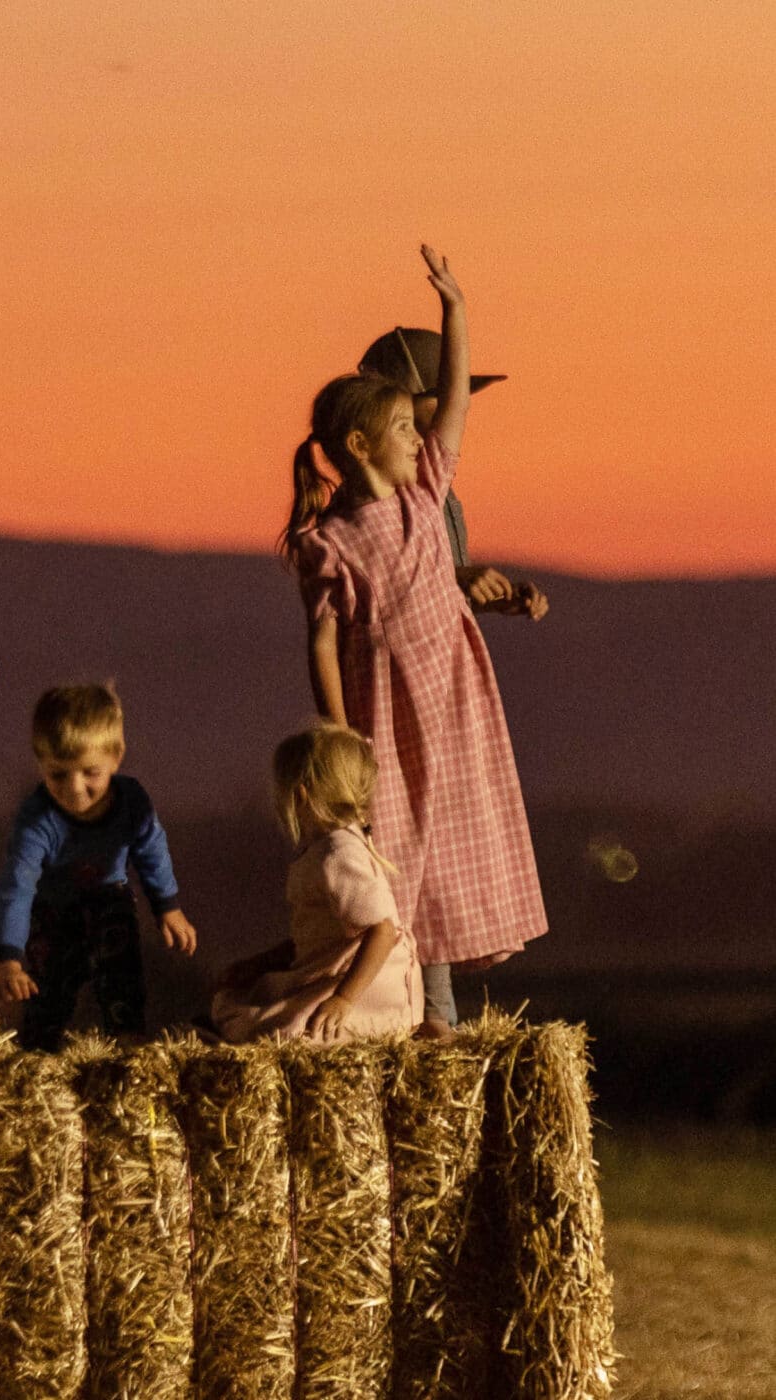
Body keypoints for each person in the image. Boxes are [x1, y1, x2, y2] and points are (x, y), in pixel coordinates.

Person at [281, 246, 547, 1037]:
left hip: (456, 699)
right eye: (403, 425)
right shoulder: (330, 542)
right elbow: (323, 641)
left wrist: (456, 309)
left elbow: (455, 401)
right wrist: (338, 729)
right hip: (387, 718)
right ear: (362, 445)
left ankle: (440, 1009)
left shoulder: (427, 495)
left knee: (455, 843)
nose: (419, 436)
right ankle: (421, 1012)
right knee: (403, 853)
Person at [0, 683, 196, 1050]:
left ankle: (127, 1036)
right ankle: (37, 1052)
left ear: (116, 758)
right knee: (47, 987)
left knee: (120, 965)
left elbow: (151, 849)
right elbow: (16, 888)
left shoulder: (132, 801)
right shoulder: (37, 820)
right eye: (58, 774)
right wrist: (9, 959)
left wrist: (168, 907)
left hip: (108, 899)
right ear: (40, 763)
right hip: (53, 909)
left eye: (90, 773)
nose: (74, 788)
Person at [211, 725, 422, 1043]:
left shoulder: (339, 854)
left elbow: (383, 930)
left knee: (281, 1032)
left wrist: (344, 1000)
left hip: (368, 988)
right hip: (335, 972)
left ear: (300, 794)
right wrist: (261, 962)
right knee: (250, 1000)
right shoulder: (327, 850)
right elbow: (319, 934)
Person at [357, 324, 550, 622]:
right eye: (444, 397)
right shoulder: (372, 493)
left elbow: (429, 596)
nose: (456, 408)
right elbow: (373, 587)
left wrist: (492, 599)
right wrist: (456, 577)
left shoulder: (439, 487)